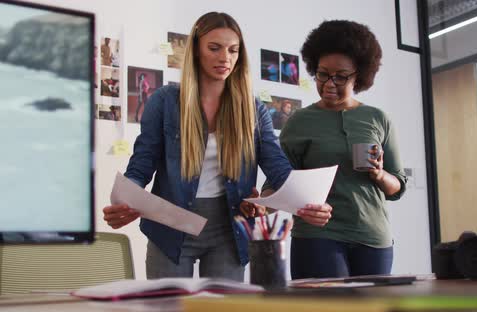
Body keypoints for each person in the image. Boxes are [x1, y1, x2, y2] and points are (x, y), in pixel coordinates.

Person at [102, 12, 320, 281]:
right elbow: (141, 164)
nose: (225, 58)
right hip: (170, 225)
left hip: (229, 228)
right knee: (167, 306)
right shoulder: (164, 101)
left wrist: (308, 202)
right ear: (195, 50)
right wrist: (125, 201)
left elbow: (278, 168)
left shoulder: (253, 110)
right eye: (214, 48)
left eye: (233, 50)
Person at [278, 20, 407, 279]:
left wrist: (380, 174)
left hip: (373, 238)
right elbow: (280, 182)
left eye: (341, 76)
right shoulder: (299, 121)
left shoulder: (378, 118)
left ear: (359, 74)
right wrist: (264, 202)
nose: (329, 83)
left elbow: (397, 188)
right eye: (323, 74)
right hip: (317, 236)